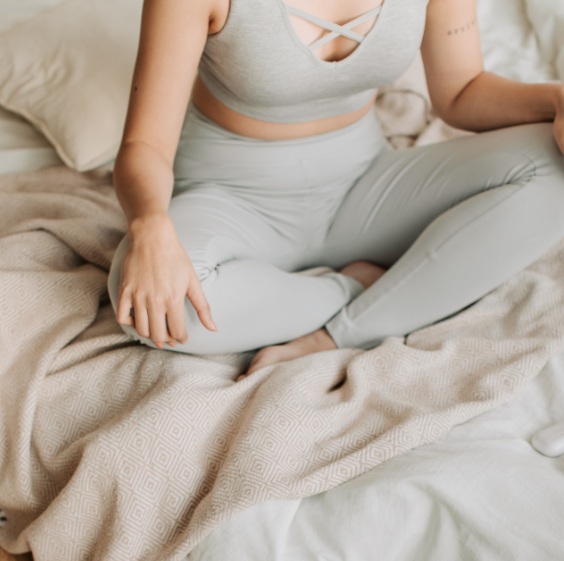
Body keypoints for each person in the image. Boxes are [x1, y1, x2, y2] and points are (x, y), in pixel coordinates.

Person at [109, 0, 564, 379]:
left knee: (555, 162)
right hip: (233, 199)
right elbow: (144, 145)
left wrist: (557, 100)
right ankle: (359, 286)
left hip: (365, 187)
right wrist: (150, 225)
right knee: (146, 303)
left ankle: (346, 330)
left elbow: (462, 92)